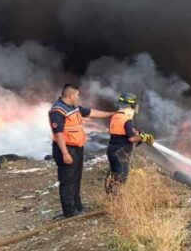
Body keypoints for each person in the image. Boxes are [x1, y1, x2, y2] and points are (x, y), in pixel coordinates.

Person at [49, 83, 116, 218]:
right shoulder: (58, 111)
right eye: (77, 95)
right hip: (66, 148)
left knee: (76, 177)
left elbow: (91, 113)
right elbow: (58, 134)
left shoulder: (73, 107)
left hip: (77, 147)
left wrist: (112, 114)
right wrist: (65, 153)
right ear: (70, 95)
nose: (78, 98)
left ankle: (78, 206)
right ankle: (69, 211)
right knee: (67, 180)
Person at [105, 92, 154, 194]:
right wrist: (142, 138)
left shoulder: (116, 116)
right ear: (132, 106)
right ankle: (116, 200)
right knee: (121, 176)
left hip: (112, 150)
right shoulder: (128, 119)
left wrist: (137, 133)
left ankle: (111, 199)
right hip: (121, 152)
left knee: (115, 174)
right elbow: (131, 139)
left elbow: (114, 131)